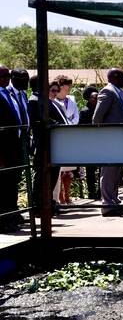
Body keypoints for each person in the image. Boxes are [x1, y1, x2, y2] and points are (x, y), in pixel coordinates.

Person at [92, 68, 123, 217]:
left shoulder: (118, 91)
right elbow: (97, 118)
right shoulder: (108, 91)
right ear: (115, 77)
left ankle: (114, 201)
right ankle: (107, 204)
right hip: (111, 138)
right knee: (109, 171)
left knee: (115, 172)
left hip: (119, 138)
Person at [27, 75, 64, 215]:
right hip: (43, 144)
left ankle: (47, 202)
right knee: (42, 176)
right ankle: (38, 206)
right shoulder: (35, 100)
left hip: (51, 144)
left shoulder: (42, 99)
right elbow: (41, 121)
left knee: (52, 174)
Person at [0, 65, 26, 232]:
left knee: (11, 184)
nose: (7, 78)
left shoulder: (9, 94)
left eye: (8, 75)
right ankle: (3, 221)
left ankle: (11, 215)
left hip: (14, 147)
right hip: (2, 149)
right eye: (3, 76)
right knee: (3, 186)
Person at [53, 75, 79, 205]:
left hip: (71, 135)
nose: (69, 88)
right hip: (61, 136)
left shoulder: (72, 99)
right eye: (66, 85)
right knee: (59, 171)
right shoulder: (53, 101)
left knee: (69, 170)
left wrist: (70, 124)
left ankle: (67, 196)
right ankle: (59, 197)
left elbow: (76, 116)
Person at [77, 86, 100, 199]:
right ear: (89, 99)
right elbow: (81, 127)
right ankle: (91, 192)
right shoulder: (84, 111)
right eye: (94, 98)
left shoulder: (100, 110)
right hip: (89, 143)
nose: (96, 99)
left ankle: (100, 191)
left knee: (101, 168)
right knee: (90, 169)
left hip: (99, 142)